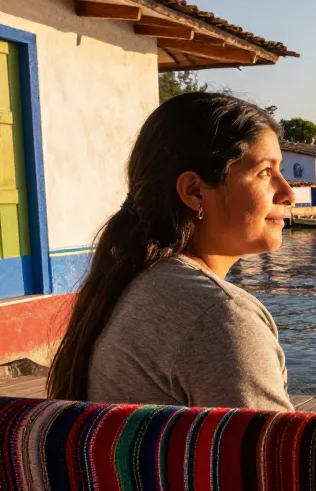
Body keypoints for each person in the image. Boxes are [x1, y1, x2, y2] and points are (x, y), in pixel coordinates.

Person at [46, 92, 296, 411]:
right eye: (265, 172)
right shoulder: (219, 316)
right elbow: (266, 457)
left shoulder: (136, 284)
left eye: (281, 171)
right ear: (194, 191)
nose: (288, 193)